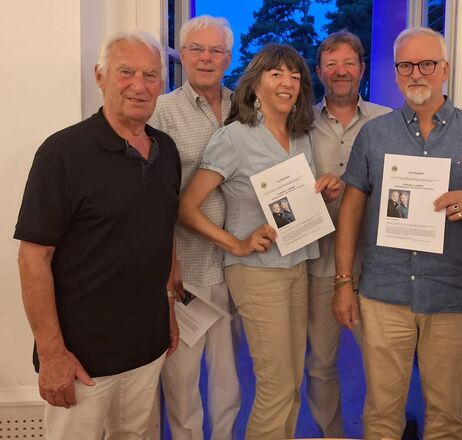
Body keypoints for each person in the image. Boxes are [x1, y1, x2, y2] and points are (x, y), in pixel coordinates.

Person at [333, 27, 462, 439]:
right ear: (395, 73)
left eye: (427, 64)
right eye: (406, 65)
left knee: (446, 416)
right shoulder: (375, 134)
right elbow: (351, 210)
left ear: (445, 69)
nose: (416, 74)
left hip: (450, 295)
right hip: (384, 293)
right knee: (381, 414)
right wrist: (343, 282)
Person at [14, 31, 180, 439]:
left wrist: (169, 314)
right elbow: (33, 258)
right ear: (100, 76)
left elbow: (162, 238)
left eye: (150, 75)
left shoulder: (167, 151)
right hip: (81, 361)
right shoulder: (62, 154)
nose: (139, 85)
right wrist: (52, 354)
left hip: (147, 350)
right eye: (126, 72)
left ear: (161, 84)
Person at [178, 43, 342, 439]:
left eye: (295, 76)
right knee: (275, 385)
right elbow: (187, 207)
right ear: (255, 85)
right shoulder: (233, 138)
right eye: (277, 74)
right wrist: (236, 244)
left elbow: (294, 203)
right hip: (256, 272)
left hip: (297, 264)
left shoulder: (300, 137)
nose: (288, 83)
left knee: (292, 383)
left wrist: (325, 192)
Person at [148, 15, 241, 440]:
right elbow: (153, 197)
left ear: (228, 57)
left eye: (216, 50)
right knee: (183, 380)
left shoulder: (246, 108)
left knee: (230, 378)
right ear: (181, 56)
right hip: (186, 268)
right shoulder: (162, 112)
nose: (207, 58)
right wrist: (167, 266)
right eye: (197, 49)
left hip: (238, 265)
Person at [306, 30, 391, 437]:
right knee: (321, 363)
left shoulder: (389, 122)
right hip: (320, 262)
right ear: (319, 71)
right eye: (331, 64)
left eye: (349, 63)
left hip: (377, 264)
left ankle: (382, 430)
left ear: (362, 68)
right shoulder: (299, 123)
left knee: (383, 362)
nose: (341, 71)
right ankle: (332, 433)